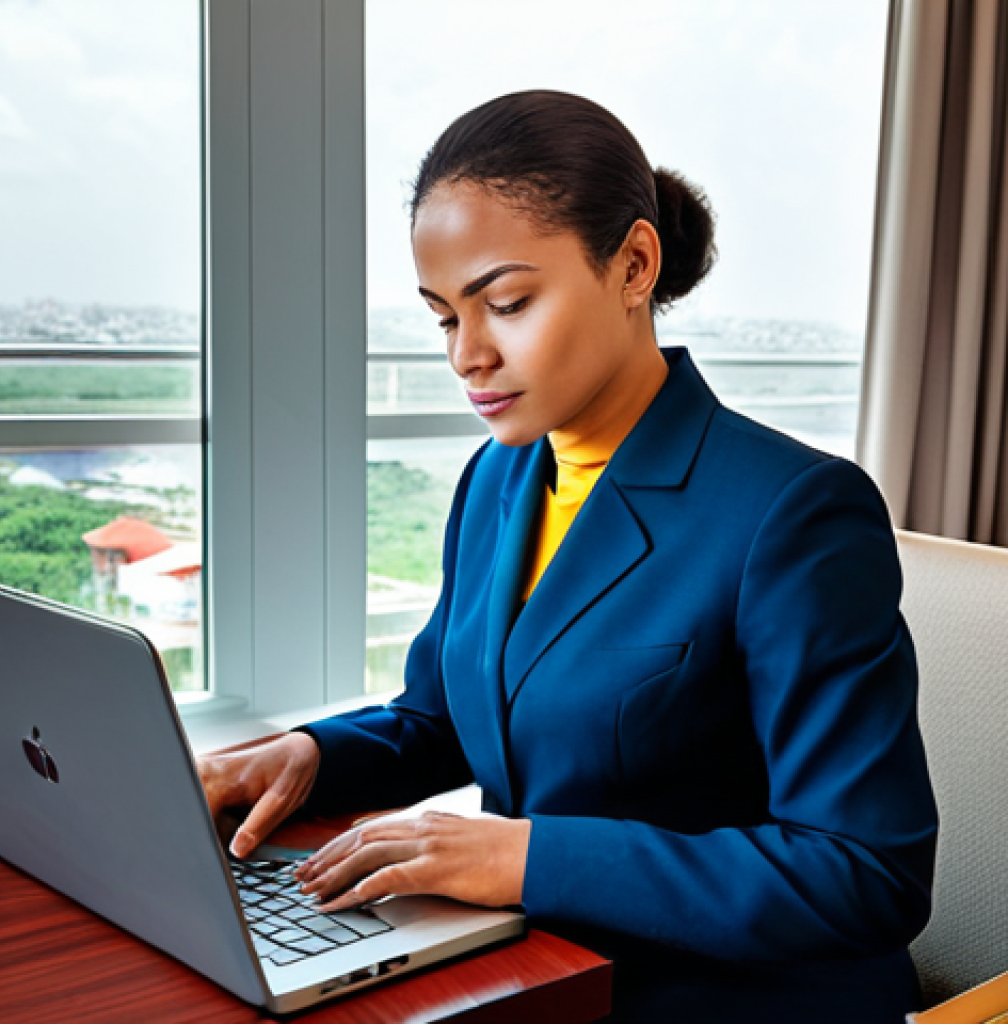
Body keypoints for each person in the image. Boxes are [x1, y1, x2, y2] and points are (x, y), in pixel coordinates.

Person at [199, 90, 939, 1023]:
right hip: (539, 968)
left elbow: (865, 874)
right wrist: (305, 755)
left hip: (726, 997)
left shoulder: (792, 513)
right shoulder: (500, 480)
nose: (467, 355)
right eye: (442, 318)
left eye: (505, 303)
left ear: (633, 265)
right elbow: (444, 718)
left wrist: (523, 855)